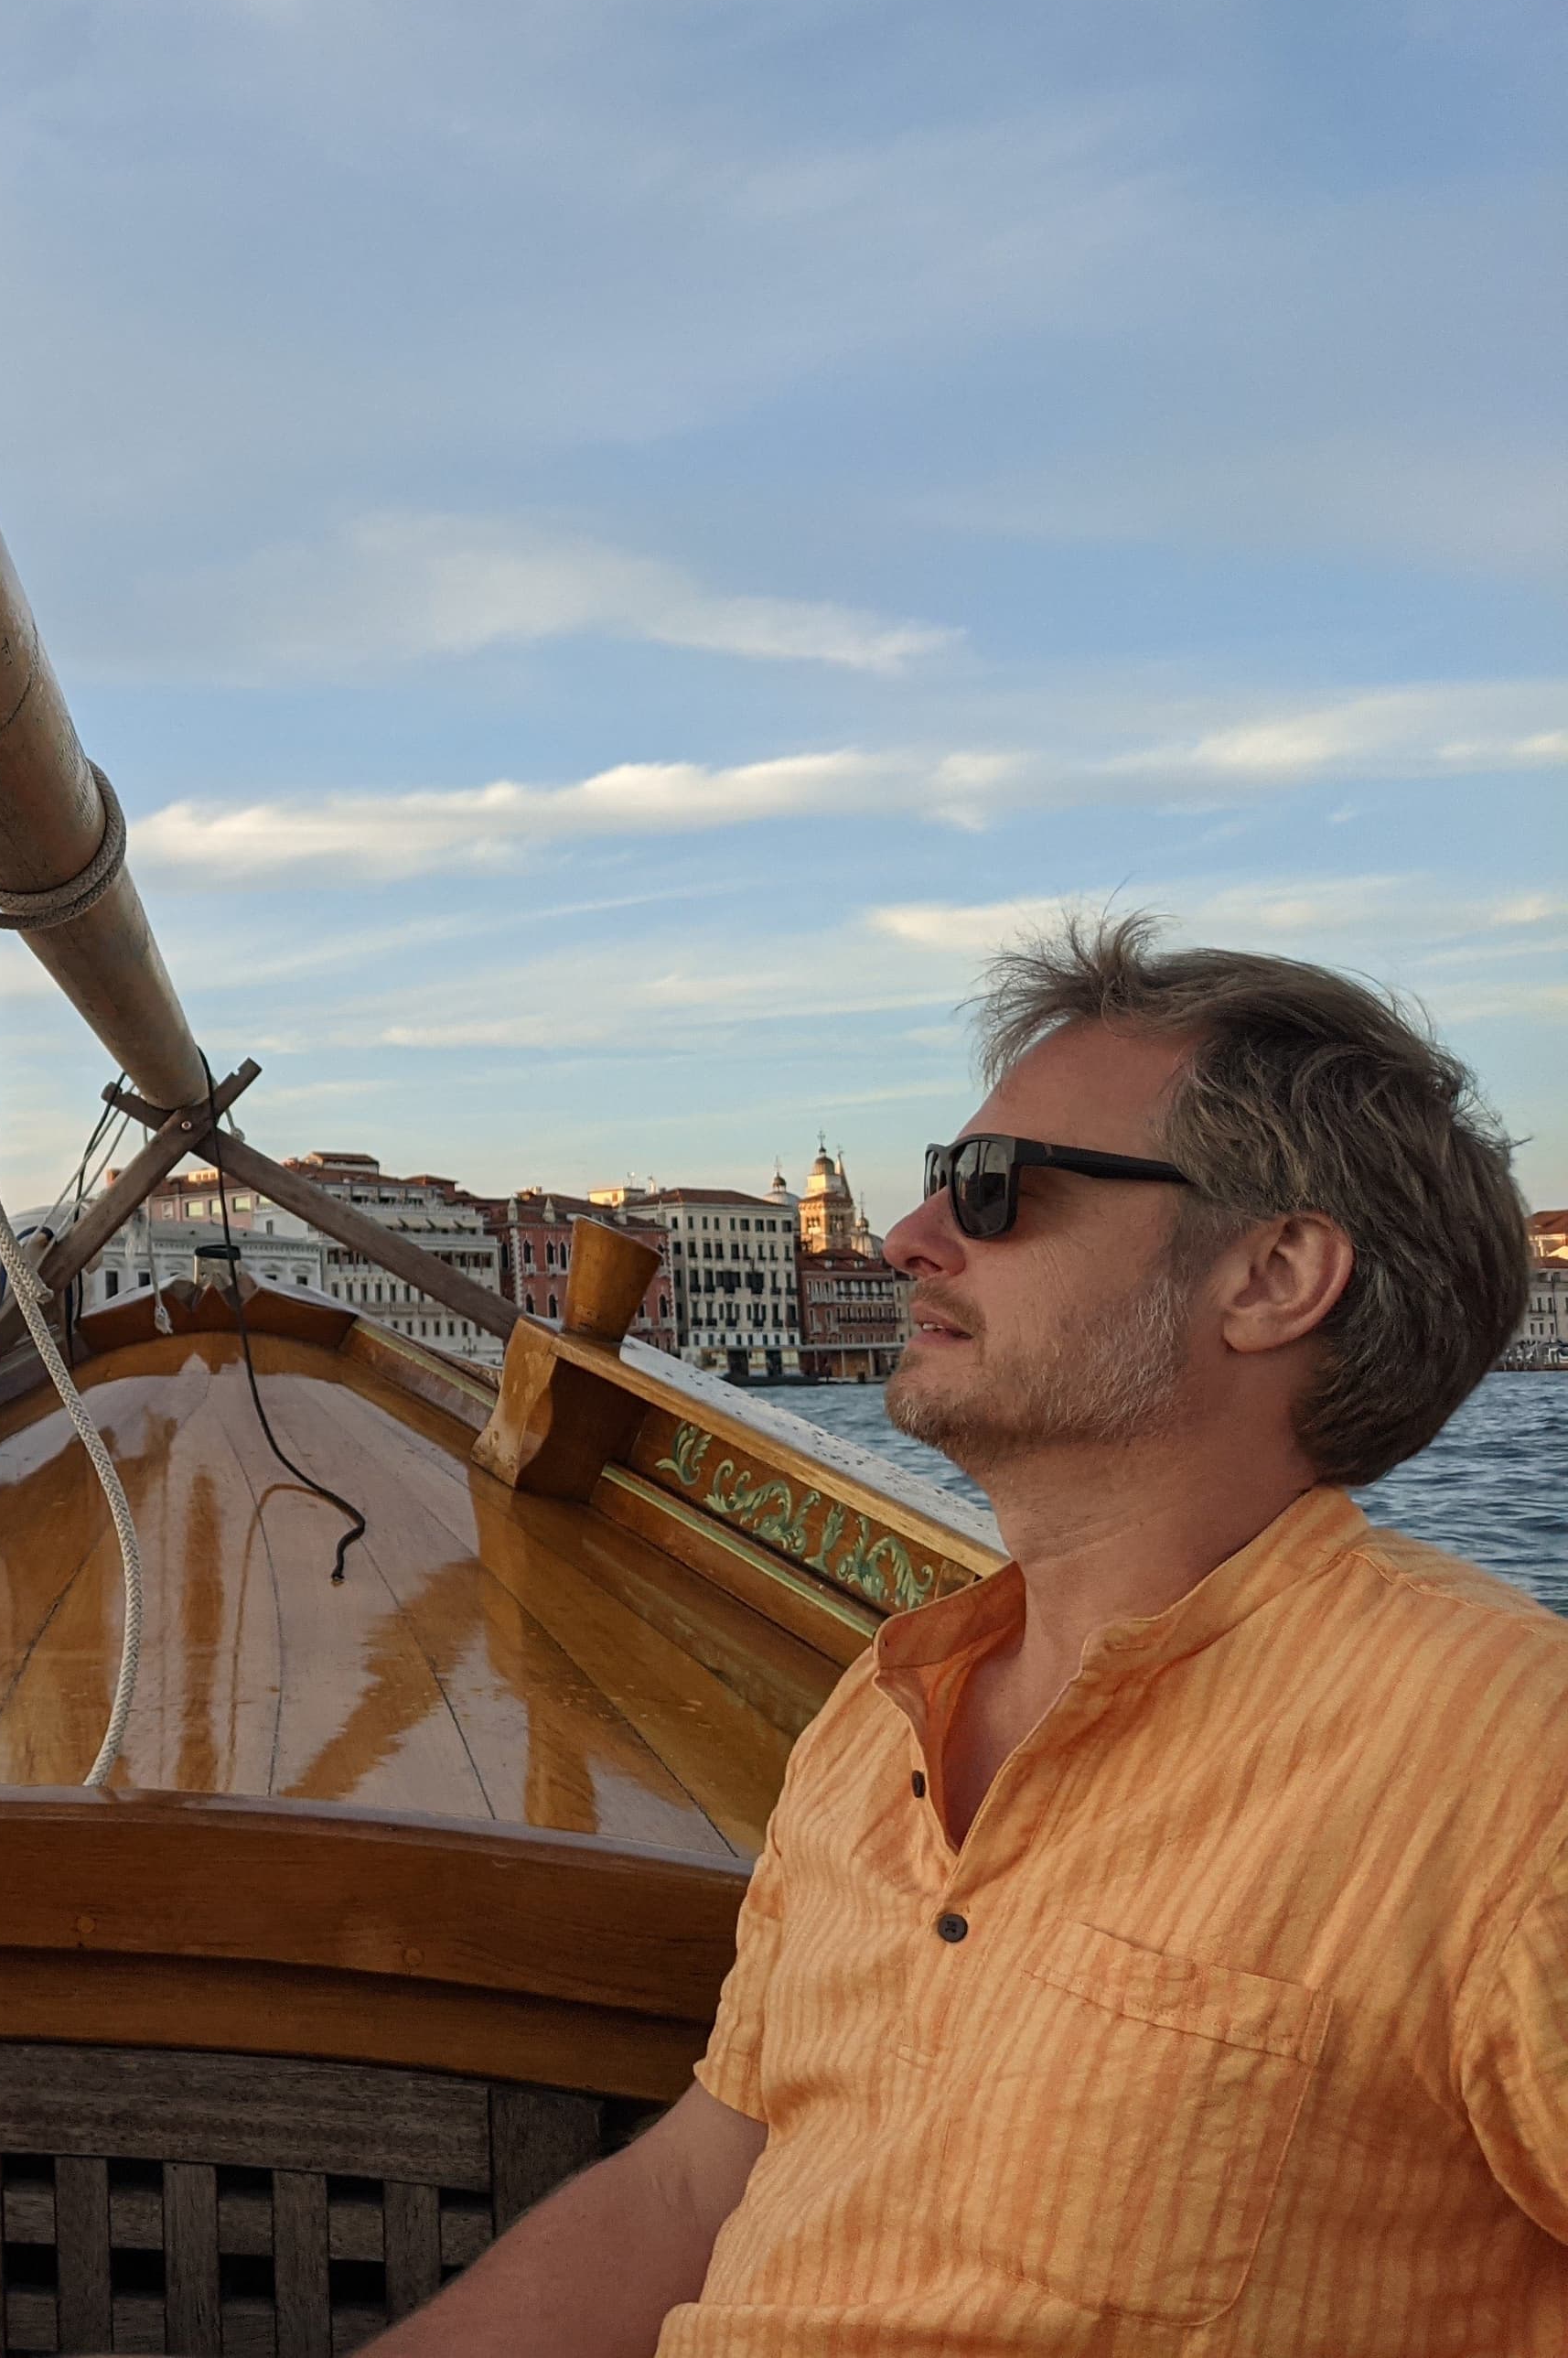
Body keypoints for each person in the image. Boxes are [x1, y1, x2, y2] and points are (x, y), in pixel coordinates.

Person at [372, 918, 1563, 2354]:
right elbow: (694, 2192)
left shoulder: (1511, 1776)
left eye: (992, 1192)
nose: (906, 1238)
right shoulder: (878, 1720)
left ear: (1271, 1277)